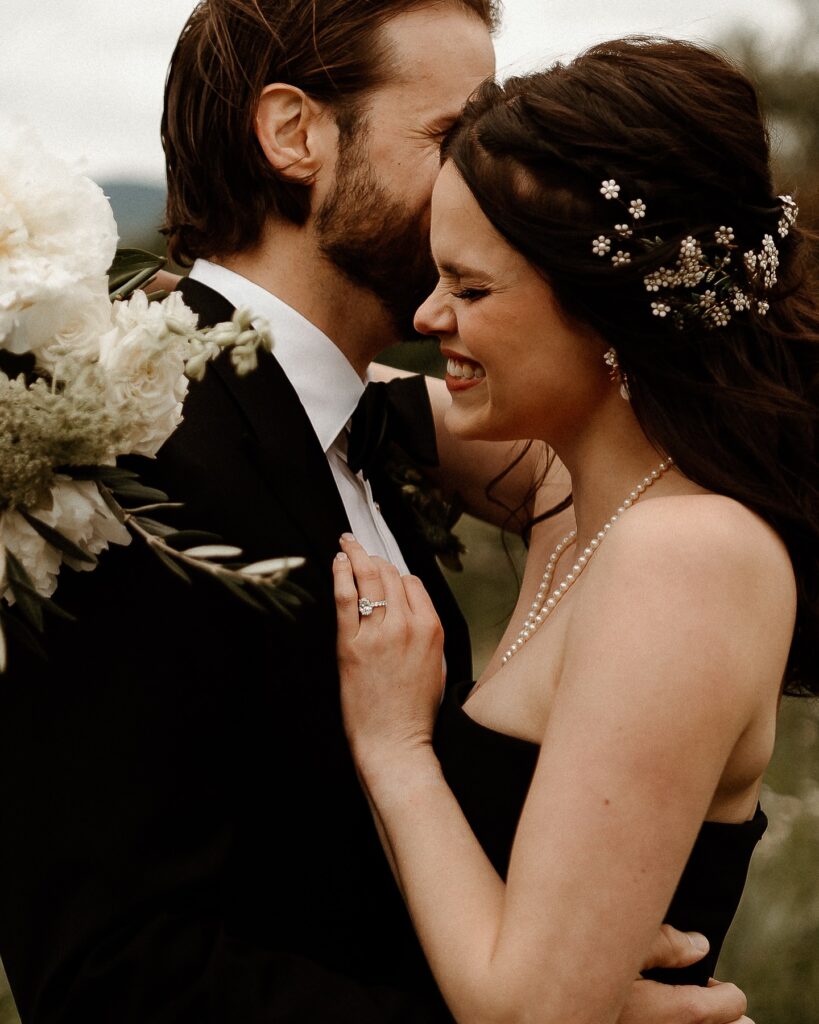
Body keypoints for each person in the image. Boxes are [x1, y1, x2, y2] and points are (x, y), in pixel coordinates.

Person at [0, 4, 749, 1021]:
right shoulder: (122, 465)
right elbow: (107, 970)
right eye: (452, 136)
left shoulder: (368, 425)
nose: (484, 177)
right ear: (294, 134)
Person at [333, 37, 819, 1024]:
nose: (427, 315)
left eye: (471, 289)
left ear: (609, 311)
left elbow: (532, 1013)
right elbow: (309, 383)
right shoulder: (574, 489)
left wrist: (396, 747)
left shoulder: (687, 556)